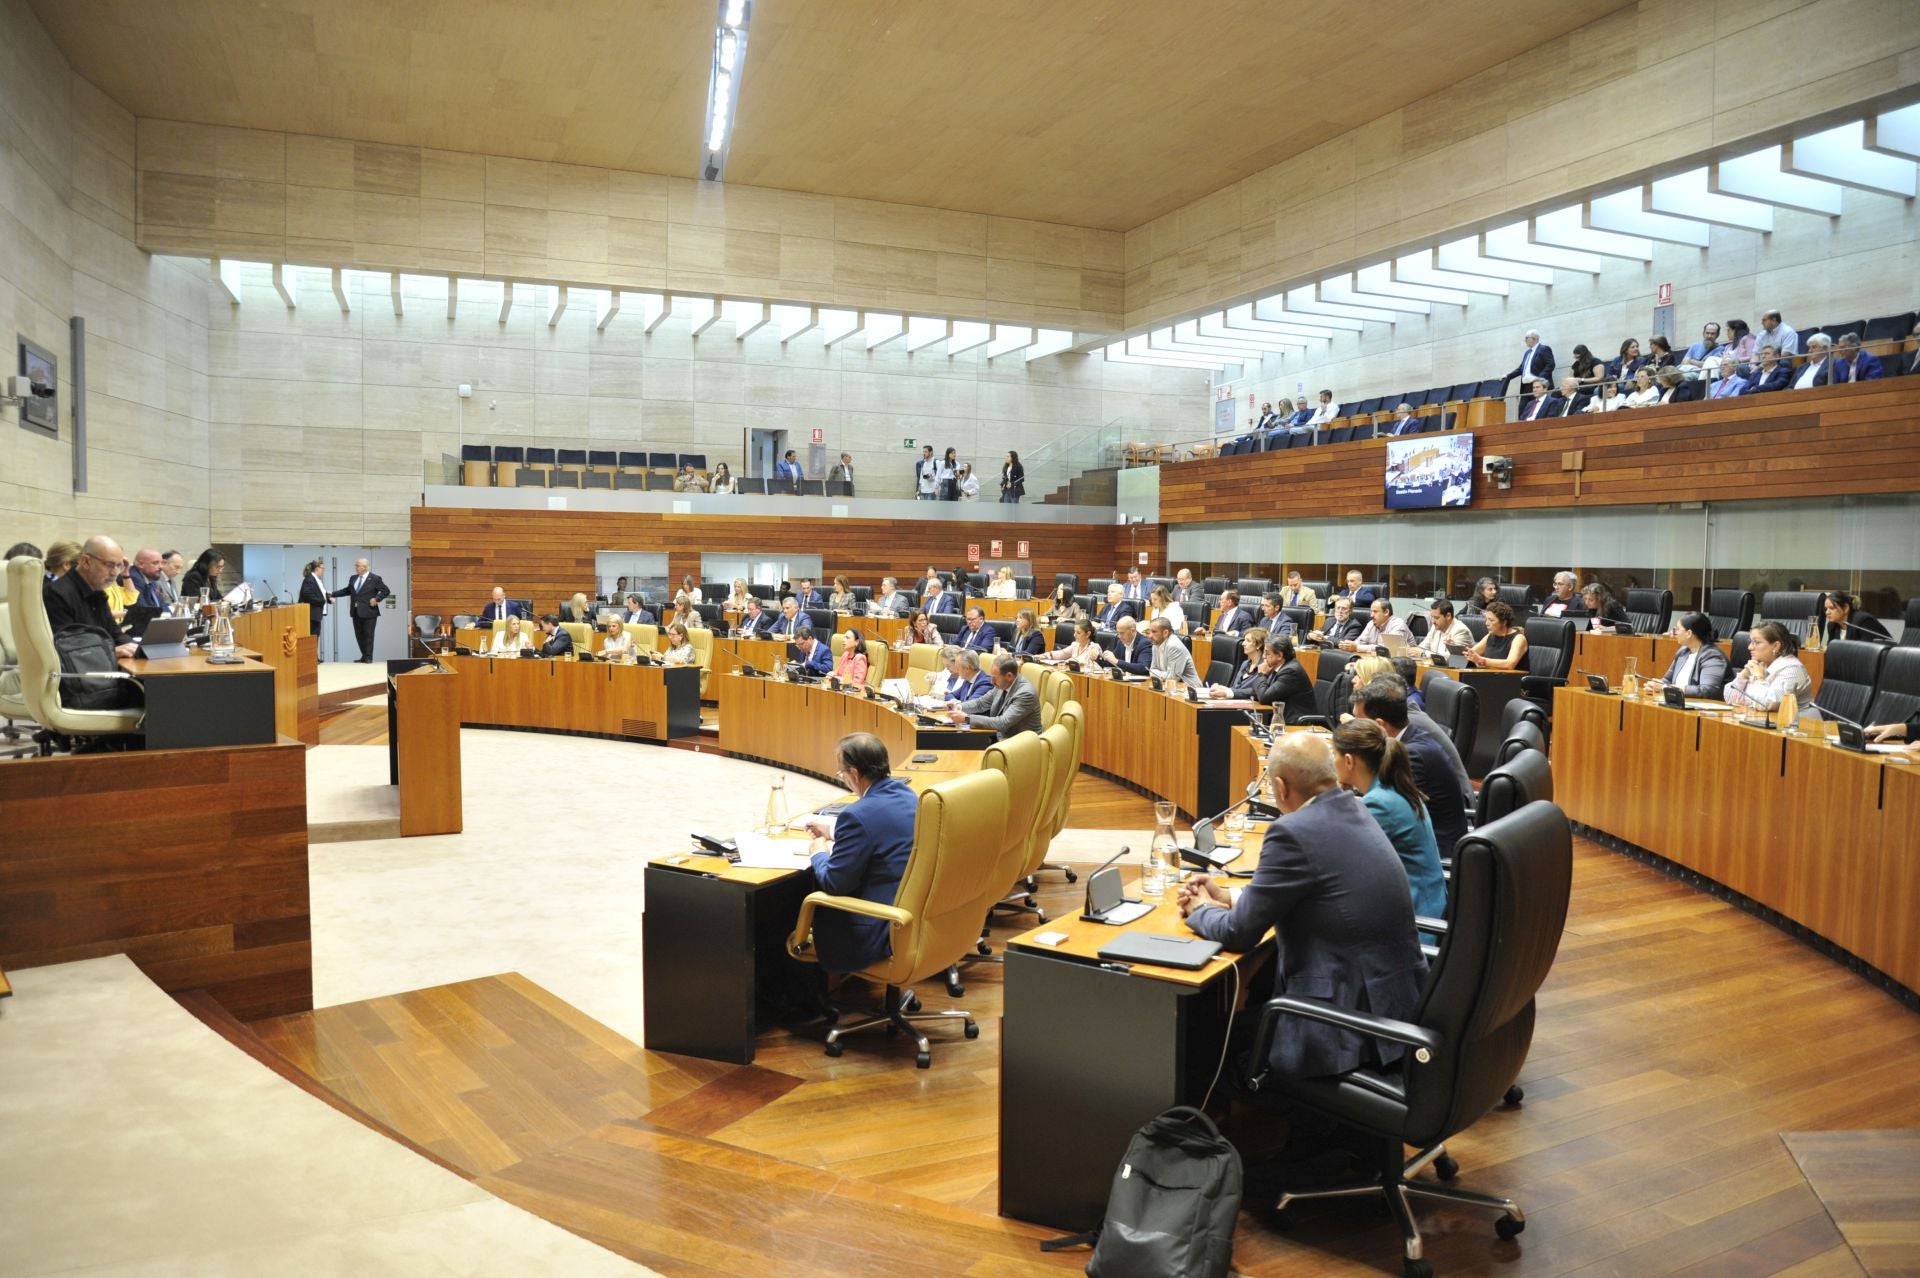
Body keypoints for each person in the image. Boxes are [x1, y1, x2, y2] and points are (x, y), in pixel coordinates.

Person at [1177, 733, 1426, 1079]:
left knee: (1196, 1041)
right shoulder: (1355, 806)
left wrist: (1200, 909)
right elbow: (1321, 890)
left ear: (1280, 787)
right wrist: (1229, 898)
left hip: (1343, 1028)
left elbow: (1238, 933)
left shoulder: (1291, 832)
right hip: (1393, 1009)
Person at [799, 733, 919, 973]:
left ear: (854, 774)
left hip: (871, 932)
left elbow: (835, 883)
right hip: (909, 919)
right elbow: (882, 827)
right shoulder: (908, 795)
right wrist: (833, 830)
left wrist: (819, 852)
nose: (843, 778)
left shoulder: (856, 815)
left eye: (841, 773)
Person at [1332, 718, 1448, 927]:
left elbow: (1339, 861)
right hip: (1425, 903)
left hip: (1413, 922)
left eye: (1334, 754)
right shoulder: (1390, 787)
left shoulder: (1379, 803)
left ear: (1349, 761)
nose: (1332, 761)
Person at [1351, 678, 1472, 856]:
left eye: (1357, 721)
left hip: (1432, 852)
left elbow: (1387, 814)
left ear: (1379, 725)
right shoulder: (1410, 738)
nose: (1353, 727)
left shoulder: (1412, 756)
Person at [45, 535, 139, 659]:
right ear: (86, 561)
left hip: (101, 667)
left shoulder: (97, 591)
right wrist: (111, 651)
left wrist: (137, 649)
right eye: (109, 565)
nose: (115, 573)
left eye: (119, 566)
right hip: (78, 674)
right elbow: (68, 647)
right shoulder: (56, 593)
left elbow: (115, 634)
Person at [1725, 621, 1812, 719]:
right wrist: (1743, 676)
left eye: (1757, 642)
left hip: (1797, 728)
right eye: (1750, 642)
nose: (1749, 647)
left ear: (1776, 646)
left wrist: (1759, 679)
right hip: (1762, 722)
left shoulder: (1792, 669)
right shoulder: (1761, 664)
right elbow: (1730, 698)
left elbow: (1768, 704)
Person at [949, 653, 1040, 738]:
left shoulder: (1025, 694)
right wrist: (959, 707)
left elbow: (1002, 723)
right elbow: (981, 703)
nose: (991, 681)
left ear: (1009, 676)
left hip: (1019, 743)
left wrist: (967, 719)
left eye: (995, 677)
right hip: (999, 736)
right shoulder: (1002, 684)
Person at [1647, 612, 1728, 699]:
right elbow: (1667, 680)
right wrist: (1655, 685)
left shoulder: (1713, 656)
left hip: (1704, 709)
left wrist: (1665, 688)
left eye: (1678, 629)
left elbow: (1707, 690)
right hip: (1681, 703)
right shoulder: (1683, 652)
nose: (1675, 632)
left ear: (1689, 633)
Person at [329, 557, 390, 663]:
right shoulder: (353, 578)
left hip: (369, 612)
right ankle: (364, 656)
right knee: (359, 635)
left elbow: (386, 591)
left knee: (368, 635)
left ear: (365, 567)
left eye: (358, 565)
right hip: (356, 611)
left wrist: (377, 599)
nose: (355, 567)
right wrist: (333, 594)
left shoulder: (375, 578)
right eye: (355, 565)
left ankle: (368, 657)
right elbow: (347, 590)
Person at [1210, 628, 1270, 699]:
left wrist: (1227, 692)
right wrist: (1221, 688)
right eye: (1244, 640)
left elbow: (1256, 691)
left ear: (1258, 645)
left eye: (1248, 641)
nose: (1243, 643)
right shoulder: (1245, 663)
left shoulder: (1265, 666)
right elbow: (1236, 688)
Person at [1467, 600, 1528, 669]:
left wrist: (1481, 660)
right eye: (1486, 619)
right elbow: (1471, 653)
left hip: (1509, 677)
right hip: (1489, 675)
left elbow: (1510, 664)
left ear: (1504, 622)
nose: (1486, 623)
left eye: (1491, 620)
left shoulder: (1518, 638)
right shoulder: (1490, 636)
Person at [1145, 616, 1199, 685]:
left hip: (1189, 689)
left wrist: (1156, 673)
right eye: (1149, 632)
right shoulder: (1155, 645)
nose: (1150, 636)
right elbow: (1151, 670)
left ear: (1165, 633)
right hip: (1168, 686)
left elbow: (1172, 678)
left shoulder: (1174, 646)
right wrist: (1163, 674)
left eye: (1154, 632)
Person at [1820, 591, 1890, 644]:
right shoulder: (1832, 626)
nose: (1827, 612)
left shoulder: (1863, 622)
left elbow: (1867, 652)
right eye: (1826, 609)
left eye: (1831, 608)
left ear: (1846, 608)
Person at [1346, 598, 1411, 654]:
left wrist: (1357, 647)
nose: (1371, 615)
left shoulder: (1398, 624)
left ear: (1386, 612)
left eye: (1375, 611)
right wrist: (1348, 645)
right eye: (1371, 611)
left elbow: (1388, 649)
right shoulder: (1371, 623)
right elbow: (1360, 641)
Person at [299, 559, 328, 635]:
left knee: (314, 639)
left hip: (315, 615)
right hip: (311, 616)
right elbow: (307, 594)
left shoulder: (316, 579)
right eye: (323, 568)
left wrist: (328, 597)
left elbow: (318, 594)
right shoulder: (309, 579)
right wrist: (322, 601)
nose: (324, 570)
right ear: (316, 569)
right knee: (312, 639)